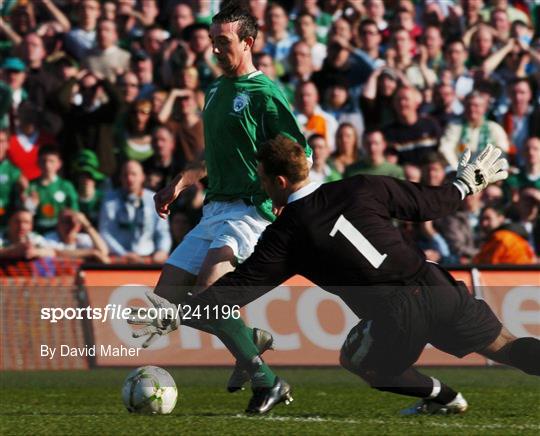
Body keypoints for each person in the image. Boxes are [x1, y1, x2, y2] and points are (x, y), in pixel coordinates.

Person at [132, 137, 539, 417]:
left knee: (360, 361)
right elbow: (431, 204)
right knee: (506, 346)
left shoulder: (287, 231)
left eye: (261, 179)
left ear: (277, 181)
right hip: (434, 284)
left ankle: (442, 396)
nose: (260, 185)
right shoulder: (362, 186)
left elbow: (236, 290)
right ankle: (444, 397)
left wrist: (176, 312)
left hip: (396, 315)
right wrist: (465, 184)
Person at [145, 3, 311, 409]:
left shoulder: (265, 93)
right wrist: (182, 181)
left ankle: (266, 381)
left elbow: (299, 154)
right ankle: (249, 342)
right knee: (164, 303)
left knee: (209, 294)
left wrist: (283, 202)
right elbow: (217, 156)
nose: (216, 49)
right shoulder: (216, 91)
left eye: (224, 41)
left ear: (248, 42)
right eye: (212, 42)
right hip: (213, 210)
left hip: (249, 212)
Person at [99, 160, 171, 263]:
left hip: (148, 259)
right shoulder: (109, 200)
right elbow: (105, 232)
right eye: (125, 175)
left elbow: (163, 231)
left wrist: (162, 250)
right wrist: (124, 254)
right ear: (120, 178)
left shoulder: (154, 199)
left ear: (142, 177)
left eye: (134, 174)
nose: (129, 179)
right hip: (118, 259)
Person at [25, 145, 79, 235]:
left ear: (59, 164)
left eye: (51, 161)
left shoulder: (66, 186)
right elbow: (24, 215)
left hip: (60, 234)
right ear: (38, 162)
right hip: (37, 233)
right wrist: (31, 206)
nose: (47, 165)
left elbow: (75, 213)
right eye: (43, 161)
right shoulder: (31, 186)